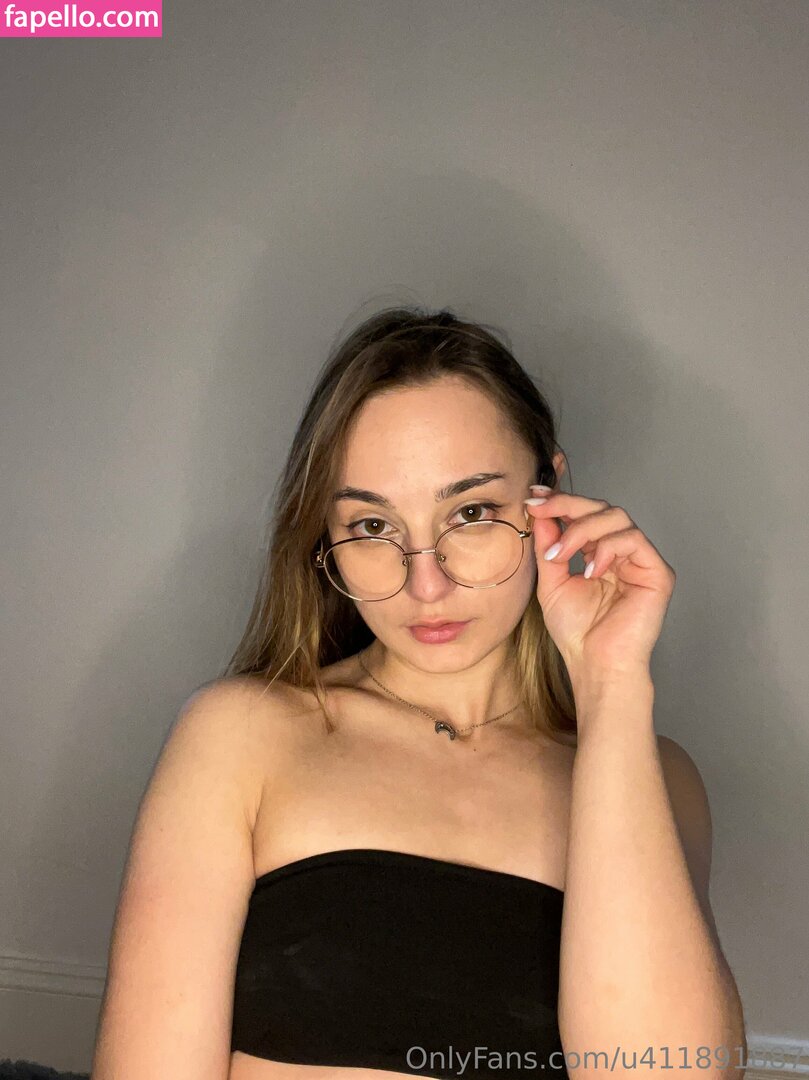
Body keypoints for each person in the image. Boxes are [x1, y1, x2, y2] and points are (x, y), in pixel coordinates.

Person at [91, 306, 747, 1080]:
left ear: (549, 493)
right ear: (325, 535)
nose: (425, 583)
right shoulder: (241, 735)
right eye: (373, 527)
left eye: (471, 512)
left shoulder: (650, 773)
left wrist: (613, 684)